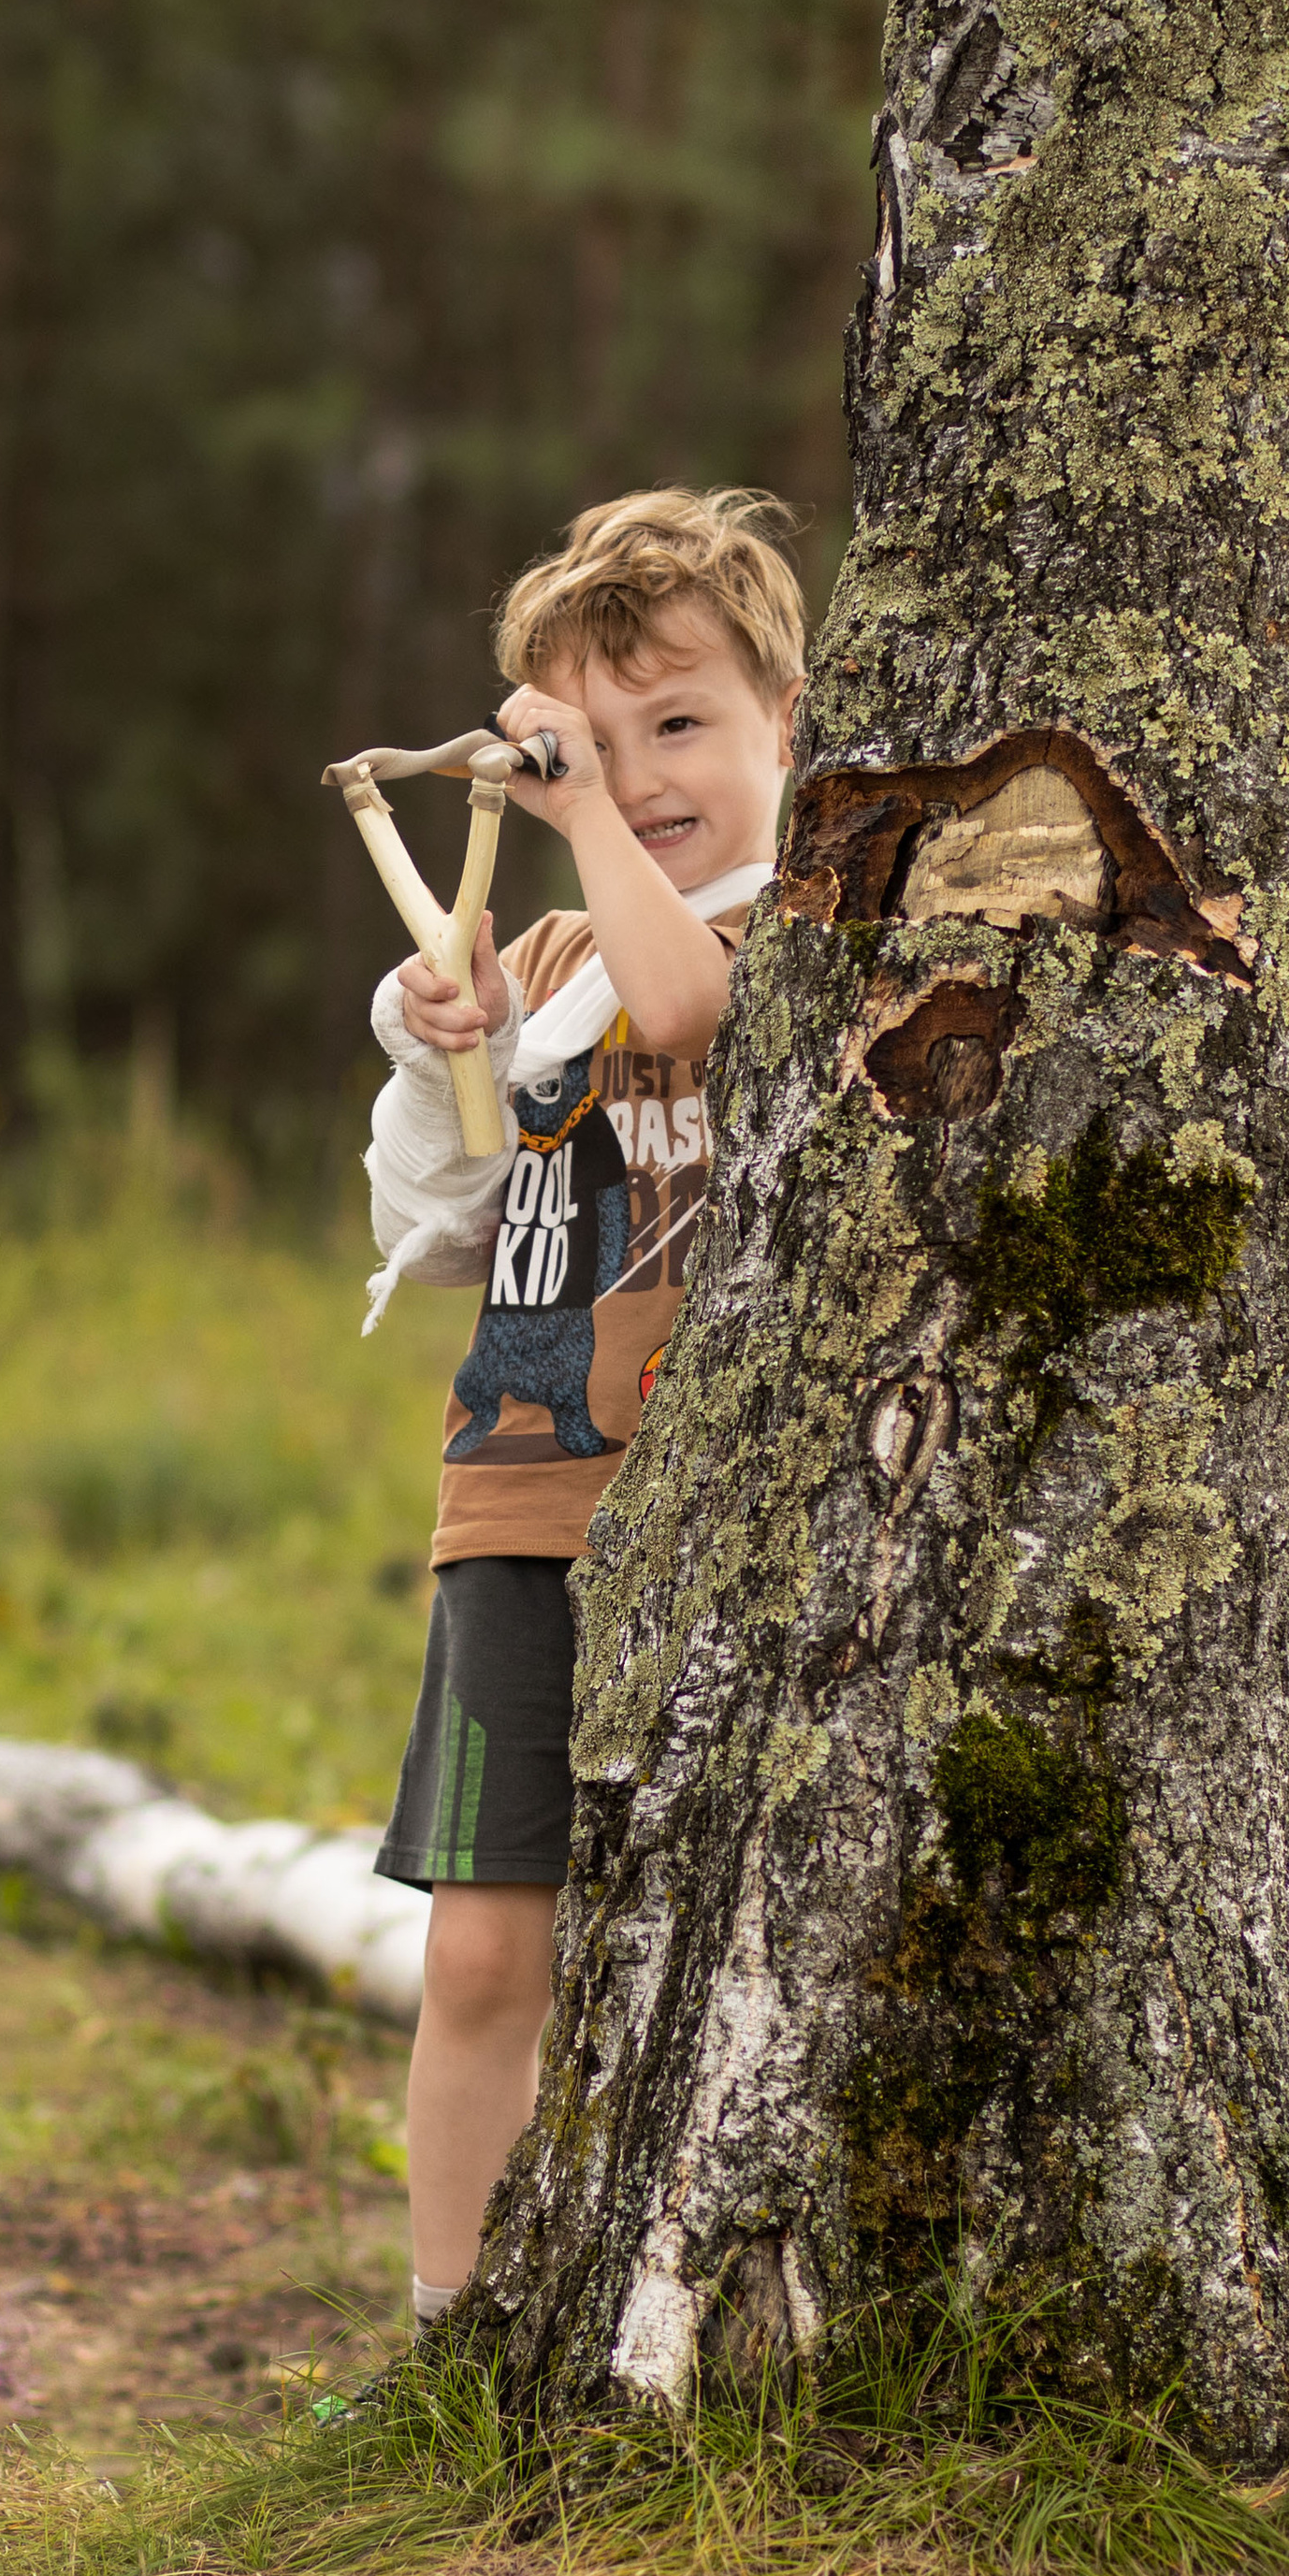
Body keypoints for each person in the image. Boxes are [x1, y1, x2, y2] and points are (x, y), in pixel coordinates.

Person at [362, 485, 809, 2330]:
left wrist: (578, 829)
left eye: (677, 725)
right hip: (526, 1510)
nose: (630, 783)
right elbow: (439, 1231)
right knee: (483, 1949)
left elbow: (692, 1007)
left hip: (745, 1527)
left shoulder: (820, 939)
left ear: (792, 722)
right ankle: (446, 2338)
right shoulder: (537, 975)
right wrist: (427, 1044)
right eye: (576, 747)